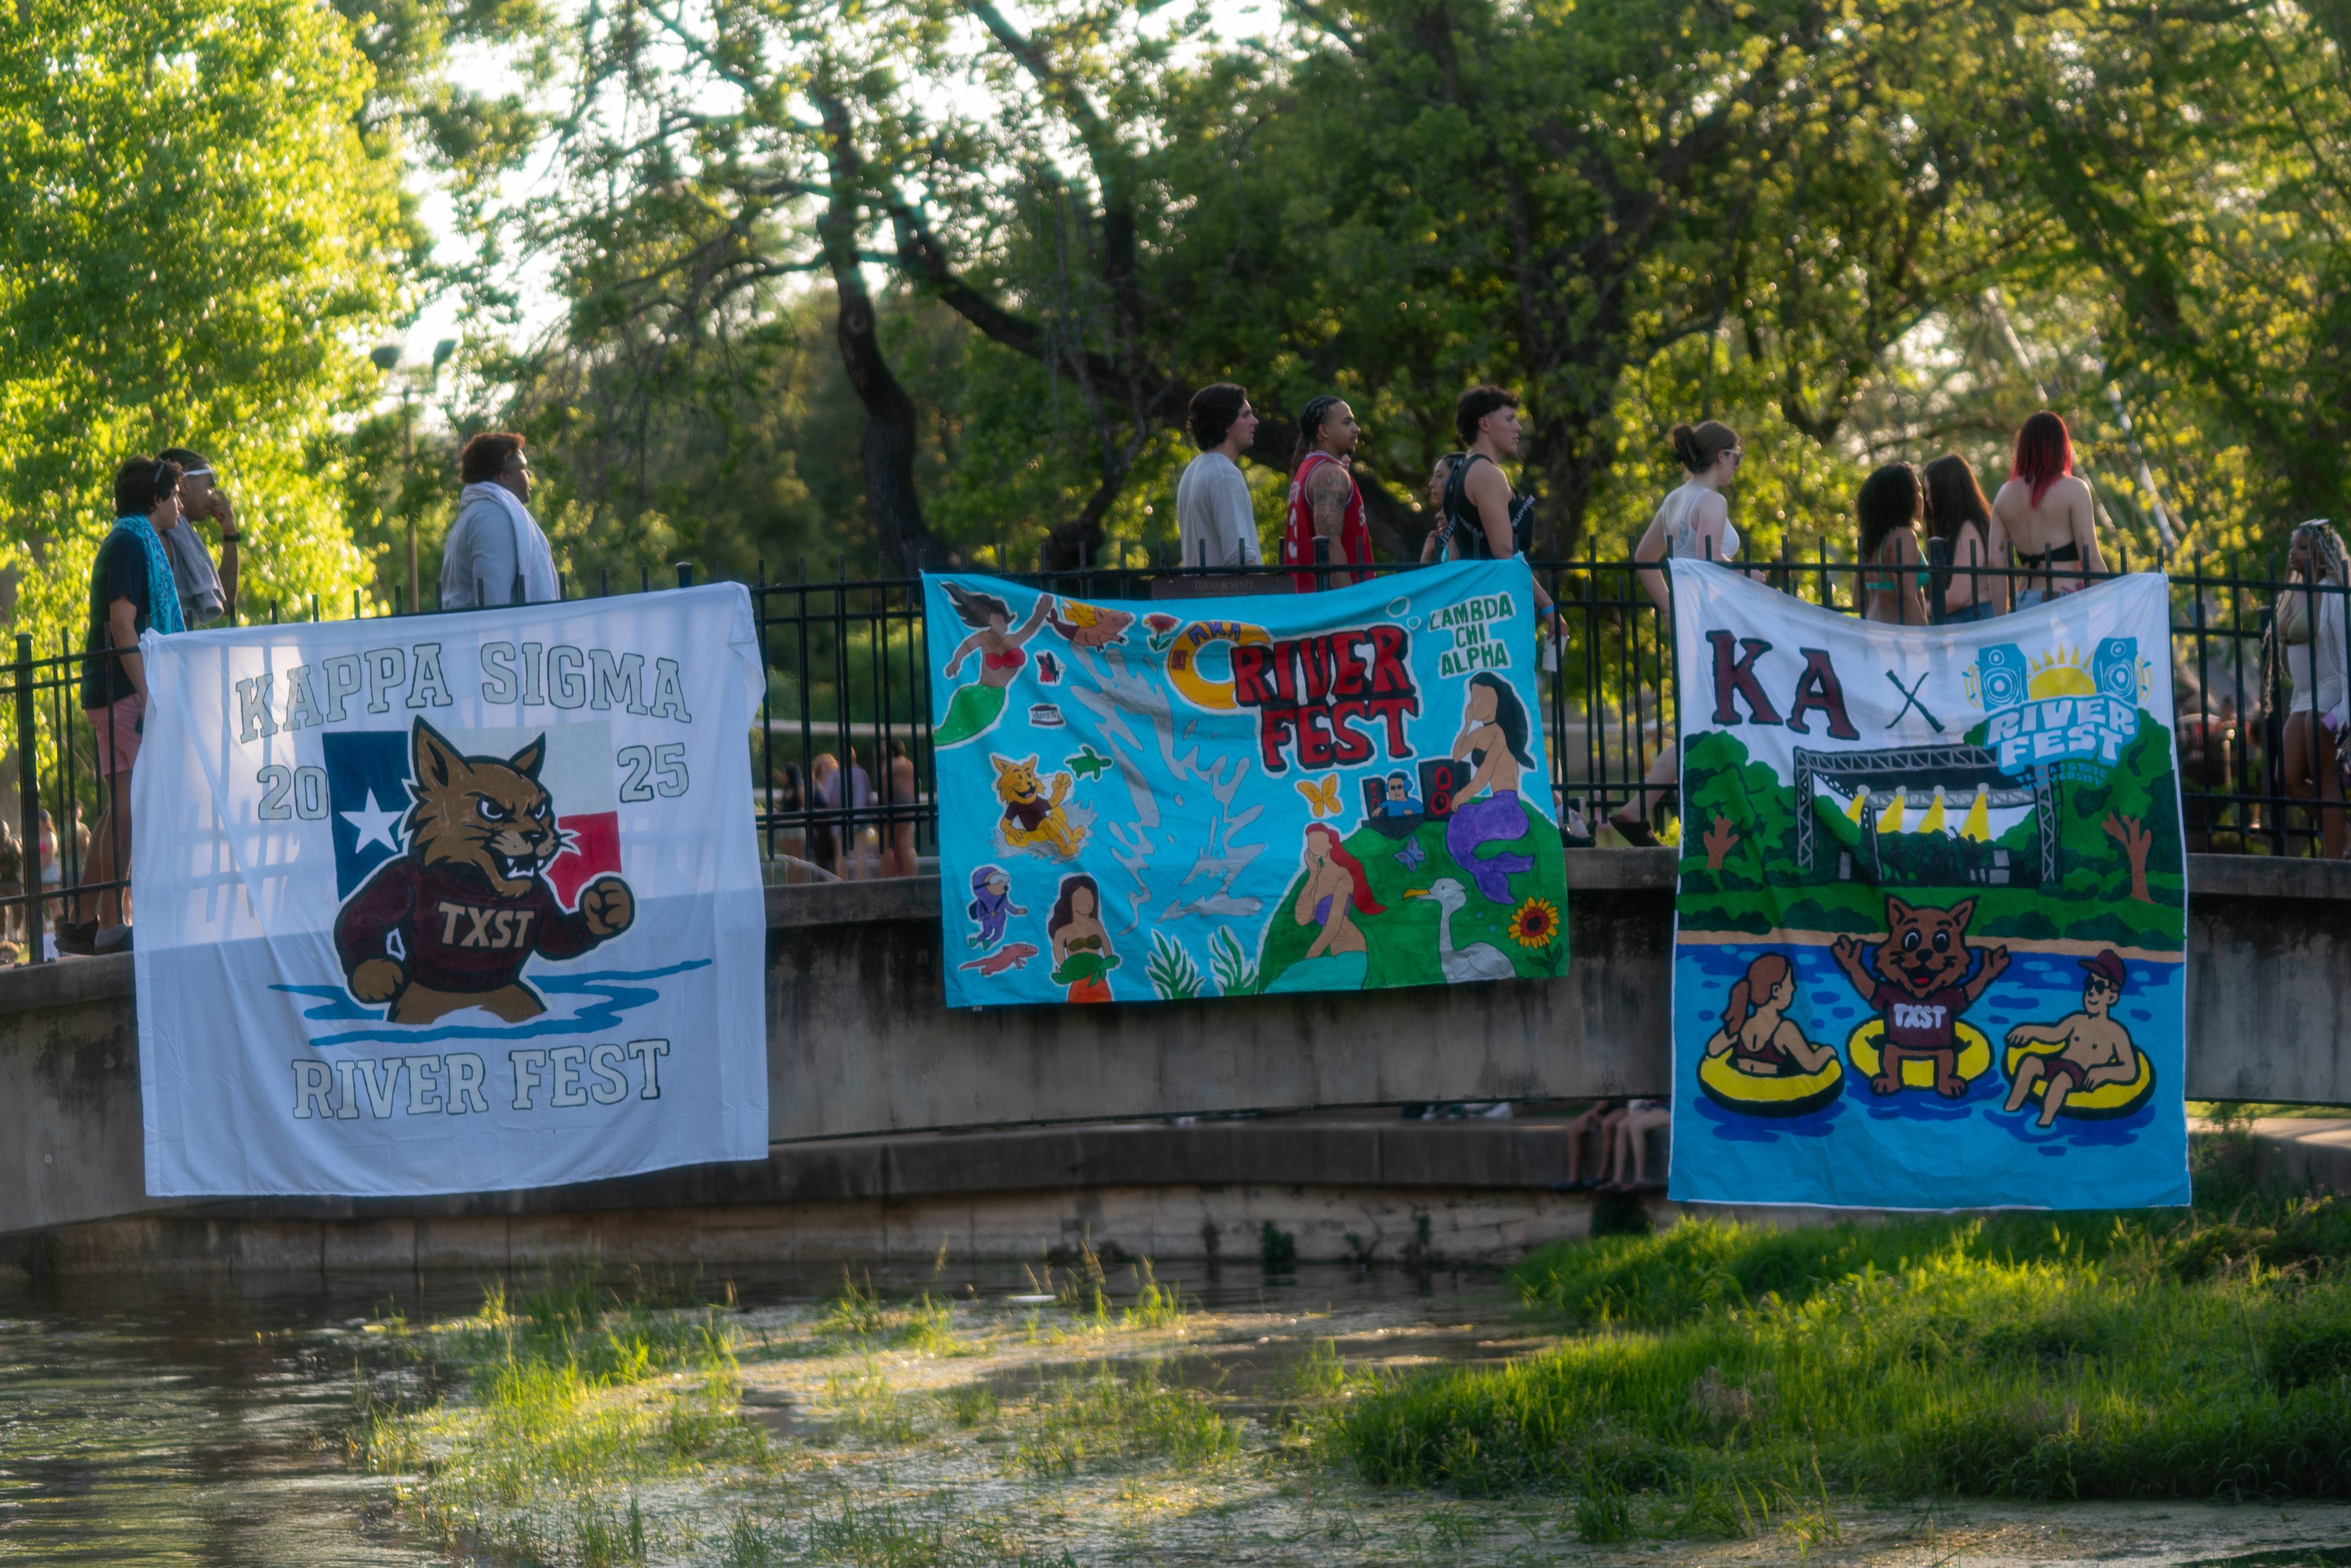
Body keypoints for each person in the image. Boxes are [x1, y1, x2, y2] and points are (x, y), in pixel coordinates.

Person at [61, 458, 189, 955]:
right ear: (154, 500)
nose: (179, 503)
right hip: (124, 692)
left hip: (112, 689)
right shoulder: (133, 544)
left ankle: (83, 920)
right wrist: (151, 693)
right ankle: (112, 923)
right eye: (174, 495)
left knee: (122, 806)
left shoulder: (130, 540)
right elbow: (122, 623)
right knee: (132, 807)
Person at [1614, 420, 1745, 843]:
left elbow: (1644, 558)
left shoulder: (1675, 499)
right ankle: (1668, 814)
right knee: (1717, 722)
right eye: (1737, 458)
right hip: (1714, 625)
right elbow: (1709, 558)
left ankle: (1642, 810)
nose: (1736, 468)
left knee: (1703, 723)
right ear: (1722, 456)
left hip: (1692, 623)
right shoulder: (1711, 501)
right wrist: (1751, 577)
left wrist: (1671, 608)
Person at [2263, 520, 2348, 859]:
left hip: (2328, 691)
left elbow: (2345, 652)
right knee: (2288, 776)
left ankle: (2332, 861)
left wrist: (2347, 707)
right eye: (2292, 546)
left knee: (2325, 775)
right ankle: (2344, 833)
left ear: (2320, 553)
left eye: (2301, 547)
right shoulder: (2296, 590)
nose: (2293, 553)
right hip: (2302, 695)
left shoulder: (2332, 591)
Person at [2002, 951, 2142, 1129]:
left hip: (2081, 1074)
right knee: (2030, 1062)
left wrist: (2102, 1073)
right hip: (2059, 1063)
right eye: (2089, 984)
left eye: (2099, 987)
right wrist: (2029, 1030)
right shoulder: (2077, 1020)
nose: (2092, 993)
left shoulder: (2116, 1032)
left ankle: (2044, 1122)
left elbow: (2130, 1070)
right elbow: (2055, 1034)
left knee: (2061, 1080)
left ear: (2112, 997)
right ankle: (2011, 1107)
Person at [1993, 412, 2106, 607]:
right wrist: (2115, 604)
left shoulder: (2004, 495)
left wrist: (2000, 622)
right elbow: (2092, 560)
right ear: (2061, 446)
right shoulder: (2075, 490)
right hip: (2067, 600)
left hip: (2025, 601)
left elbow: (1995, 563)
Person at [1446, 671, 1537, 905]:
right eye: (1473, 697)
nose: (1475, 703)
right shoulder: (1480, 733)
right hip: (1497, 809)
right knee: (1457, 831)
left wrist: (1464, 794)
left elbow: (1485, 772)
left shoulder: (1500, 733)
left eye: (1480, 697)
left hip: (1509, 813)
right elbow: (1457, 756)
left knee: (1459, 826)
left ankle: (1492, 872)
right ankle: (1499, 864)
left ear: (1497, 700)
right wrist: (1466, 725)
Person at [441, 432, 559, 607]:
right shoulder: (491, 517)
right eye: (523, 468)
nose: (529, 474)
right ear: (505, 476)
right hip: (495, 635)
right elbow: (494, 604)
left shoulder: (477, 512)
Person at [1266, 822, 1385, 992]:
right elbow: (1302, 919)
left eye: (1319, 841)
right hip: (1336, 957)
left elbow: (1332, 928)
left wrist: (1307, 961)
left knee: (1287, 981)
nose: (1315, 846)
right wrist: (1313, 877)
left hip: (1353, 958)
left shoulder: (1343, 876)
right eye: (1312, 842)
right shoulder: (1318, 877)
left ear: (1330, 844)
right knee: (1287, 982)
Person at [1282, 396, 1374, 590]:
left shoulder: (1306, 469)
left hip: (1308, 599)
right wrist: (1350, 604)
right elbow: (1331, 547)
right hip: (1336, 606)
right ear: (1323, 431)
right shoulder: (1330, 474)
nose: (1356, 428)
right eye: (1347, 422)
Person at [1702, 954, 1837, 1077]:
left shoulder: (1740, 1024)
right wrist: (1829, 1050)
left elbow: (1713, 1049)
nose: (1794, 988)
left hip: (1741, 1089)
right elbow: (1812, 1065)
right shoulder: (1784, 1029)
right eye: (1790, 983)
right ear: (1776, 990)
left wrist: (1730, 1030)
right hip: (1768, 1094)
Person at [1174, 384, 1261, 570]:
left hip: (1201, 596)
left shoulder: (1193, 470)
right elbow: (1240, 556)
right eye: (1246, 415)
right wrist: (1265, 598)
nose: (1255, 421)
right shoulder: (1224, 475)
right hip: (1228, 597)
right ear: (1226, 424)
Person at [157, 447, 244, 626]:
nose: (214, 496)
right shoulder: (161, 534)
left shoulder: (183, 535)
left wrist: (230, 534)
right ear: (185, 485)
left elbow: (225, 604)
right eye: (209, 485)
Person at [1921, 453, 2003, 623]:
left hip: (1972, 620)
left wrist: (1920, 608)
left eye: (1932, 492)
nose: (1927, 499)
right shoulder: (1953, 529)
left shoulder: (1969, 530)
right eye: (1926, 492)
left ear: (1948, 491)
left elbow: (1957, 596)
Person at [1857, 462, 1929, 626]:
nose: (1921, 497)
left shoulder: (1871, 541)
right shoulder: (1904, 536)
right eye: (1917, 491)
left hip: (1873, 628)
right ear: (1903, 498)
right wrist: (1925, 642)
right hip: (1898, 635)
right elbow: (1908, 599)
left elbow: (1857, 599)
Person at [1047, 874, 1117, 1003]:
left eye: (1089, 898)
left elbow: (1105, 941)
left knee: (1103, 999)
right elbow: (1058, 948)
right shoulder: (1064, 931)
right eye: (1080, 899)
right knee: (1077, 999)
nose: (1086, 904)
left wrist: (1108, 959)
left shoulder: (1096, 924)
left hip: (1097, 975)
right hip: (1078, 978)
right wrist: (1066, 968)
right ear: (1070, 902)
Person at [1549, 1098, 1625, 1193]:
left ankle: (1602, 1176)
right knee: (1573, 1129)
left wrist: (1596, 1110)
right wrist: (1596, 1111)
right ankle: (1573, 1180)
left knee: (1607, 1125)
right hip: (1604, 1108)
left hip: (1625, 1107)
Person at [1604, 1098, 1672, 1192]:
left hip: (1669, 1107)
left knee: (1636, 1126)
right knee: (1621, 1126)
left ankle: (1640, 1179)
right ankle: (1617, 1181)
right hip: (1652, 1107)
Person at [881, 740, 919, 877]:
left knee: (885, 846)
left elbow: (883, 786)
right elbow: (917, 784)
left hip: (895, 804)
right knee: (907, 845)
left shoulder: (889, 765)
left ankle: (886, 879)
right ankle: (912, 877)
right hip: (909, 804)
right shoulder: (909, 765)